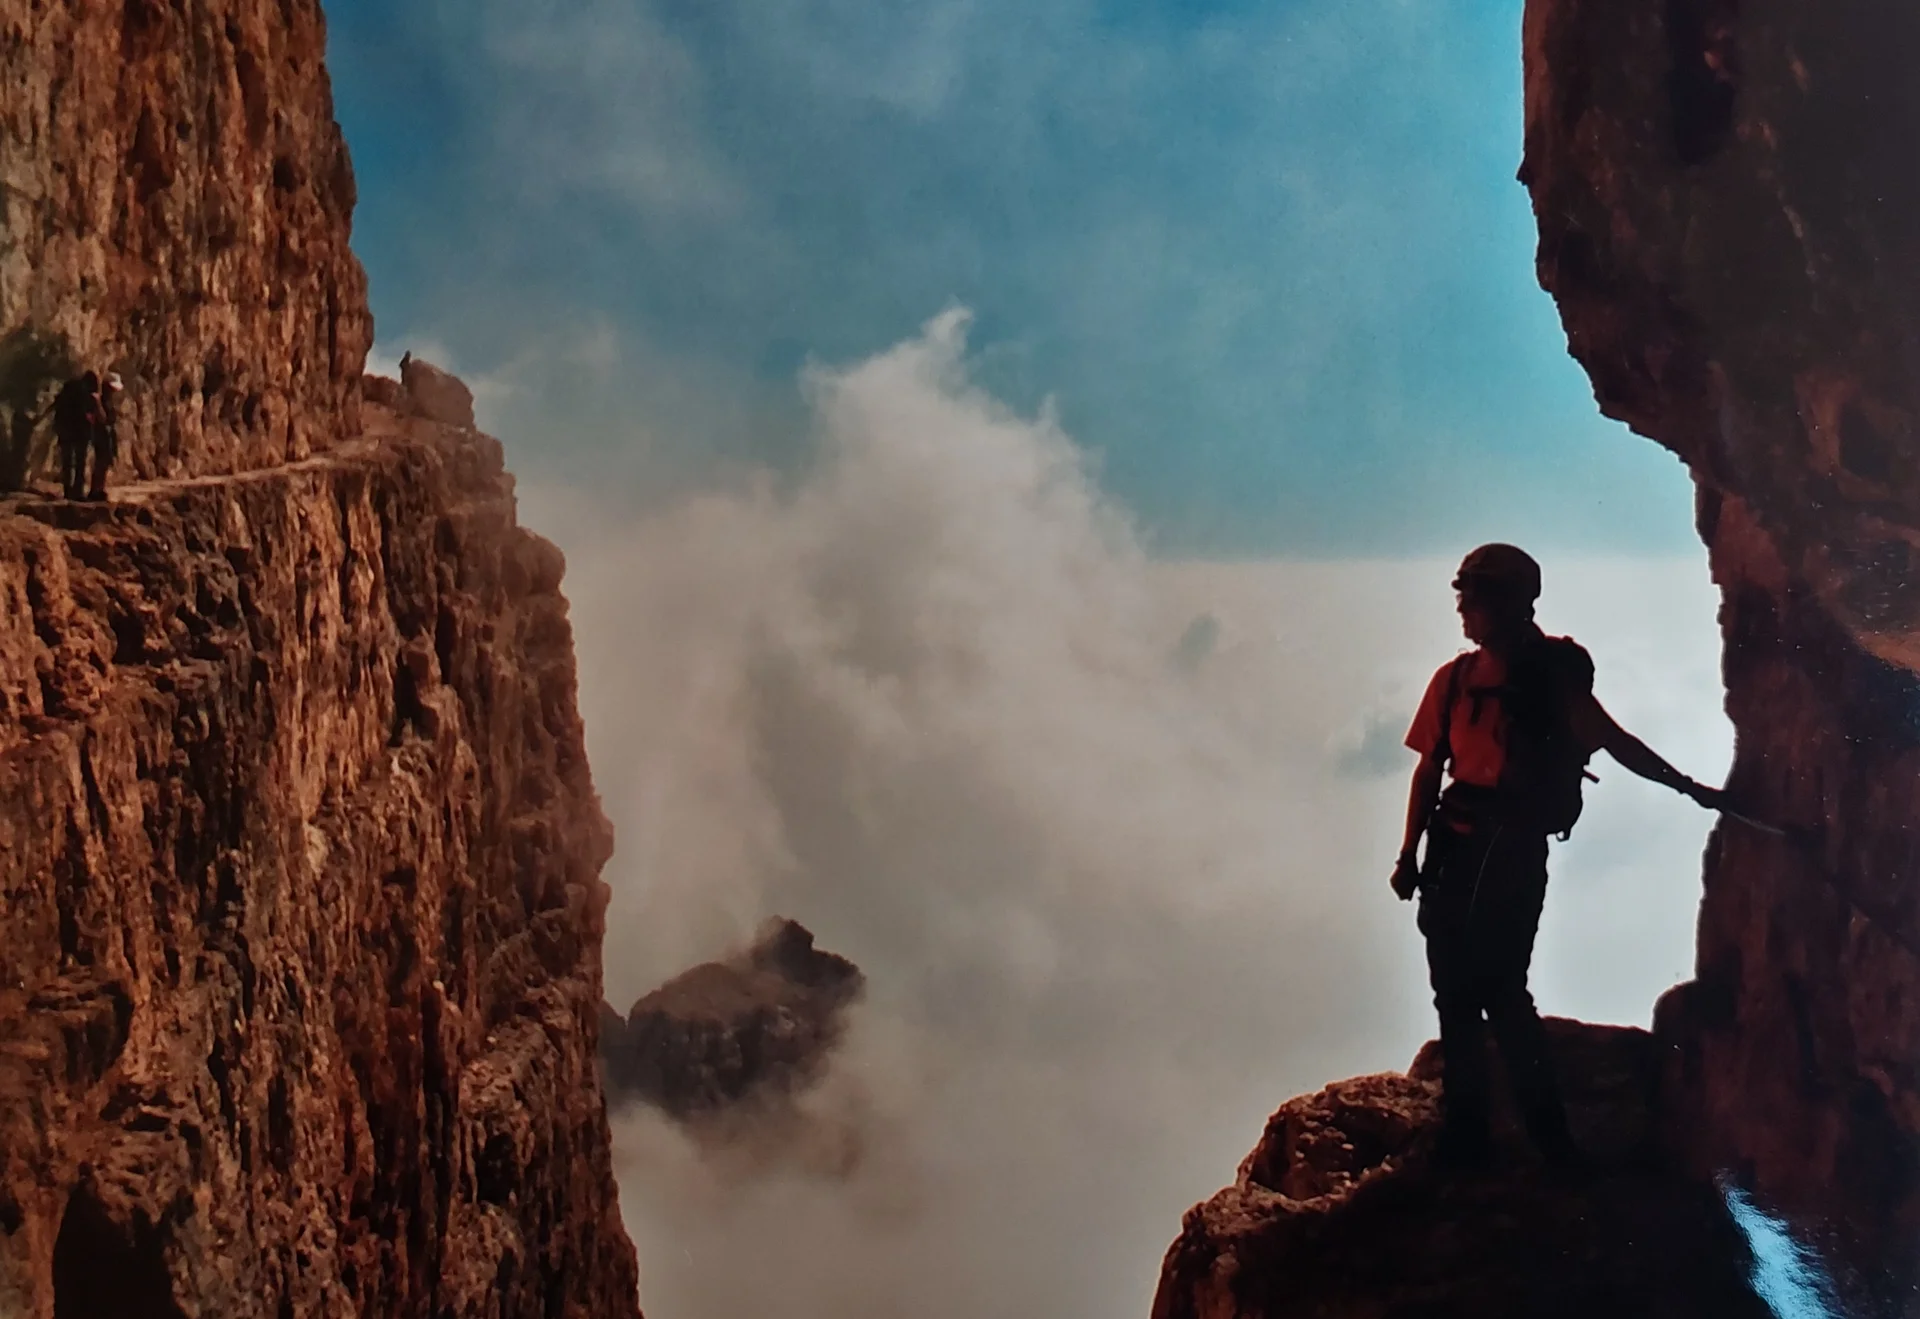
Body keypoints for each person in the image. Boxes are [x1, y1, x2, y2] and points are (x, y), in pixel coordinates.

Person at [1391, 543, 1725, 1174]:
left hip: (1499, 852)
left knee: (1491, 993)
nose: (1462, 607)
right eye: (1462, 594)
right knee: (1463, 995)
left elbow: (1613, 741)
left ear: (1509, 603)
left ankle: (1523, 1140)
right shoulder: (1456, 680)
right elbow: (1429, 769)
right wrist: (1408, 854)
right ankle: (1505, 1140)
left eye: (1474, 596)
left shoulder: (1546, 682)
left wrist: (1688, 786)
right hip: (1461, 849)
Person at [50, 371, 102, 501]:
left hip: (65, 430)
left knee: (67, 462)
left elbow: (56, 406)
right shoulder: (86, 395)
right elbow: (90, 415)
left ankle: (67, 490)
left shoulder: (67, 390)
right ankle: (78, 492)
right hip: (81, 432)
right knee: (80, 462)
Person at [89, 371, 124, 500]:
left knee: (105, 462)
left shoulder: (108, 400)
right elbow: (102, 418)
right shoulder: (101, 400)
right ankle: (95, 490)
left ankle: (100, 489)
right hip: (102, 433)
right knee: (101, 462)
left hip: (107, 433)